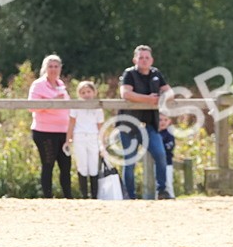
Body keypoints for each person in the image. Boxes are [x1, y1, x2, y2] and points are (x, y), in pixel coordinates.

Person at [118, 45, 173, 200]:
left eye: (146, 57)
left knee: (161, 155)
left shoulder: (156, 73)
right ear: (135, 59)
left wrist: (161, 99)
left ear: (152, 60)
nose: (144, 60)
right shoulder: (129, 74)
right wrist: (149, 99)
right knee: (130, 162)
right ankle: (130, 196)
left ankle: (162, 191)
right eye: (140, 57)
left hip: (149, 125)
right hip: (129, 125)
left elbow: (170, 92)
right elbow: (126, 94)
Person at [29, 54, 73, 198]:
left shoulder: (61, 85)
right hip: (44, 131)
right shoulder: (38, 85)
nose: (53, 69)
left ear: (60, 68)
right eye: (50, 66)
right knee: (48, 165)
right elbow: (32, 107)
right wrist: (52, 101)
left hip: (63, 132)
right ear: (45, 68)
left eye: (56, 66)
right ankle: (47, 197)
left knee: (66, 166)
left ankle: (68, 196)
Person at [72, 80, 105, 199]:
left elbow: (100, 127)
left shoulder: (98, 108)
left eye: (88, 91)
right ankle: (84, 194)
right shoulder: (76, 107)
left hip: (93, 137)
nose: (86, 95)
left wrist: (103, 143)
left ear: (94, 92)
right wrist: (68, 139)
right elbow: (71, 123)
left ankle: (95, 195)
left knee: (93, 166)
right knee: (82, 165)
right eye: (83, 92)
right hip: (79, 136)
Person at [159, 114, 176, 198]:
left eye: (165, 120)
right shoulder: (156, 133)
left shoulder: (169, 134)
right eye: (160, 120)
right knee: (157, 182)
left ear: (169, 121)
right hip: (157, 164)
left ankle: (171, 197)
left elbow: (170, 146)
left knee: (168, 182)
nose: (163, 122)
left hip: (167, 163)